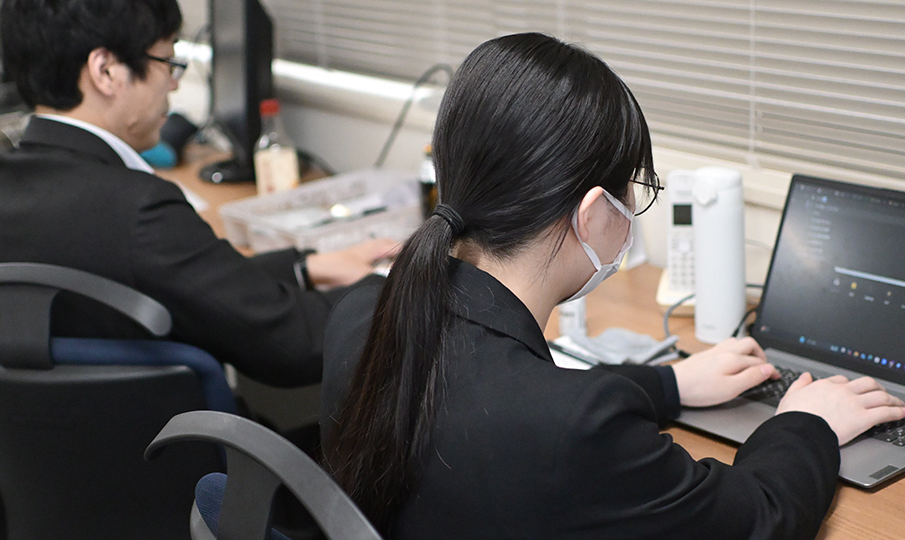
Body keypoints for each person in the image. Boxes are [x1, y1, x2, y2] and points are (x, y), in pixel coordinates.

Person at [320, 33, 905, 540]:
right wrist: (807, 423)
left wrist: (671, 384)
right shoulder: (572, 428)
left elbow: (517, 394)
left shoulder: (364, 315)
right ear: (595, 211)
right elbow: (760, 518)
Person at [0, 1, 393, 538]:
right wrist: (395, 285)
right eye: (167, 62)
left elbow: (178, 279)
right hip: (196, 492)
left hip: (76, 488)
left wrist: (305, 266)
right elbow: (295, 346)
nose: (174, 84)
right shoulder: (136, 209)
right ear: (106, 70)